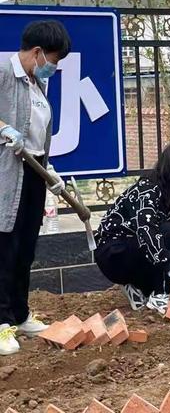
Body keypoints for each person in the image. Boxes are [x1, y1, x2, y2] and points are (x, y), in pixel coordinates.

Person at [0, 20, 71, 355]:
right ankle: (1, 323)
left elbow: (39, 134)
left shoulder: (36, 84)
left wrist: (49, 169)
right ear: (38, 52)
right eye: (53, 61)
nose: (53, 68)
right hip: (7, 176)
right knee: (5, 246)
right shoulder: (3, 69)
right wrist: (3, 129)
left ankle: (20, 314)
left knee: (26, 247)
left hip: (33, 173)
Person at [95, 143, 170, 314]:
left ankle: (139, 288)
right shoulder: (147, 190)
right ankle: (159, 294)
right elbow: (146, 231)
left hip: (143, 250)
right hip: (115, 253)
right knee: (168, 232)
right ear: (169, 169)